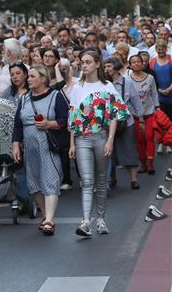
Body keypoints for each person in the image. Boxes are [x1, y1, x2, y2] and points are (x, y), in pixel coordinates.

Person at [68, 50, 129, 238]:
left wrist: (110, 140)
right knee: (86, 181)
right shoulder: (77, 87)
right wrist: (72, 143)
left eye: (87, 62)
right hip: (82, 138)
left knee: (102, 180)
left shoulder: (107, 86)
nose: (83, 65)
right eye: (81, 62)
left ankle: (101, 219)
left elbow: (113, 115)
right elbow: (73, 116)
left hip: (101, 136)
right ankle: (86, 222)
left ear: (97, 64)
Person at [12, 66, 69, 236]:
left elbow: (65, 118)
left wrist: (49, 124)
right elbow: (17, 124)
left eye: (32, 76)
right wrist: (16, 144)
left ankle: (50, 220)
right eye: (28, 77)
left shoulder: (55, 96)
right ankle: (45, 216)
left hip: (47, 143)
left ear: (43, 79)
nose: (28, 79)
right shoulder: (23, 99)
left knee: (50, 179)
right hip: (29, 146)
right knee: (34, 182)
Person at [105, 57, 141, 189]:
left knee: (129, 149)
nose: (106, 69)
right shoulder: (104, 84)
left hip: (126, 121)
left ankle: (134, 179)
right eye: (105, 66)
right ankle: (112, 178)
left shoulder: (127, 82)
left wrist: (141, 118)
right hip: (108, 122)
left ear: (116, 67)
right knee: (110, 151)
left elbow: (135, 100)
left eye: (109, 66)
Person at [128, 54, 160, 174]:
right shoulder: (128, 80)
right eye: (133, 62)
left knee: (149, 137)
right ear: (130, 65)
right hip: (135, 116)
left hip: (149, 113)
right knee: (140, 140)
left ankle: (150, 164)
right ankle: (142, 164)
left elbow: (154, 94)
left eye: (138, 62)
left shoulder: (150, 78)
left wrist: (157, 108)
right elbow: (127, 99)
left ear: (143, 64)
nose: (136, 64)